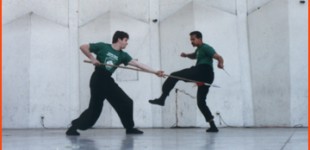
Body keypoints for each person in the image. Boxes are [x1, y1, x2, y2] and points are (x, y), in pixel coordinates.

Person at [66, 31, 164, 136]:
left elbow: (137, 64)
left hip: (107, 80)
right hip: (98, 78)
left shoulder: (123, 55)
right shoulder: (103, 46)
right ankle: (74, 126)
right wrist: (92, 58)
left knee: (127, 102)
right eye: (126, 40)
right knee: (94, 110)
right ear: (119, 39)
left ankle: (129, 128)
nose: (127, 43)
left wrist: (155, 71)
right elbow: (83, 47)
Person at [149, 31, 224, 132]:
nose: (191, 41)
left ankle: (162, 99)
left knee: (173, 75)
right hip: (206, 76)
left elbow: (218, 57)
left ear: (200, 39)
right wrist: (186, 55)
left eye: (193, 39)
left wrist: (220, 63)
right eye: (190, 40)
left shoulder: (206, 47)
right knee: (201, 102)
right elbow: (194, 55)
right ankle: (213, 126)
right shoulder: (199, 50)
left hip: (203, 71)